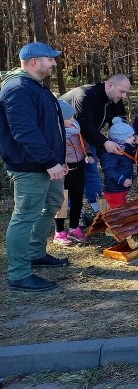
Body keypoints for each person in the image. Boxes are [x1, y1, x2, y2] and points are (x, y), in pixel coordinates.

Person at [0, 42, 68, 292]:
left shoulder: (36, 87)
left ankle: (35, 253)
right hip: (30, 165)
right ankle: (18, 274)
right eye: (50, 59)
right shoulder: (17, 88)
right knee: (25, 215)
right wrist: (50, 162)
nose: (54, 63)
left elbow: (51, 129)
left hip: (49, 164)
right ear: (33, 62)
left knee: (50, 206)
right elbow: (24, 132)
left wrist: (59, 161)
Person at [61, 74, 132, 215]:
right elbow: (84, 123)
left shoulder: (115, 99)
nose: (124, 96)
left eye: (126, 92)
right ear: (110, 85)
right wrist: (104, 142)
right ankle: (68, 211)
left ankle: (98, 210)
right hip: (65, 139)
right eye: (122, 91)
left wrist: (130, 138)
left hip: (89, 137)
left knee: (91, 171)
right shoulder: (86, 95)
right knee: (69, 176)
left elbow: (119, 122)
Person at [54, 100, 91, 245]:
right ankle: (59, 231)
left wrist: (88, 154)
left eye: (71, 117)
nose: (72, 120)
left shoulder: (76, 128)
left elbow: (84, 143)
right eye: (68, 118)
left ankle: (74, 228)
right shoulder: (56, 134)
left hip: (79, 168)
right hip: (63, 170)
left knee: (77, 200)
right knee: (61, 202)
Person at [99, 117, 138, 208]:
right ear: (120, 139)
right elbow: (109, 171)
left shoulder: (125, 149)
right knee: (116, 212)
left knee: (122, 209)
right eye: (130, 137)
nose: (133, 139)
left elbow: (129, 161)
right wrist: (121, 179)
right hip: (114, 189)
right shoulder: (110, 154)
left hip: (122, 187)